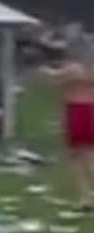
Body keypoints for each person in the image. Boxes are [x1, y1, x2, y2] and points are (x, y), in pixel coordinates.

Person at [43, 48, 94, 211]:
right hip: (91, 108)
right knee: (89, 153)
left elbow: (54, 80)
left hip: (76, 109)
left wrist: (46, 71)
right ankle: (86, 197)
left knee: (77, 156)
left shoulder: (73, 69)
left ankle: (85, 197)